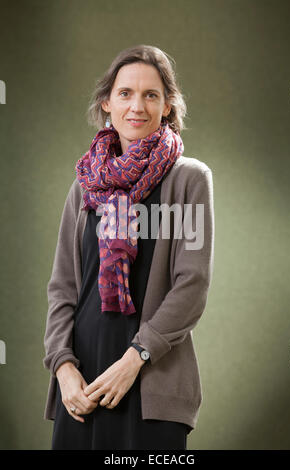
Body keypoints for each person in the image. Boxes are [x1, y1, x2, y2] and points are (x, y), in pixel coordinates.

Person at [43, 44, 215, 450]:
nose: (137, 106)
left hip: (151, 380)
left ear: (168, 106)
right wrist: (63, 368)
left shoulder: (189, 179)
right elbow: (63, 288)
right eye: (125, 93)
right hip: (82, 385)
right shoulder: (84, 184)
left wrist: (134, 358)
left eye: (151, 95)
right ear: (107, 102)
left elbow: (192, 285)